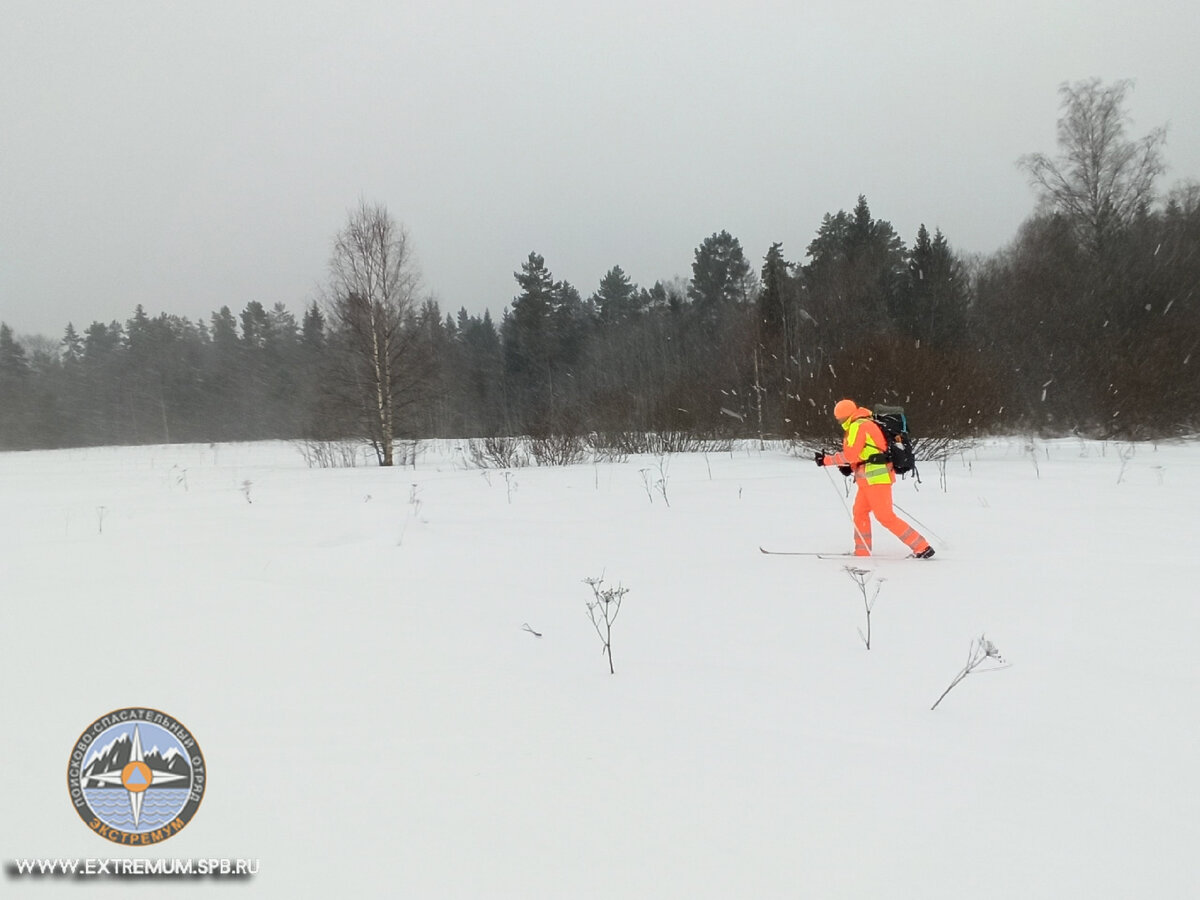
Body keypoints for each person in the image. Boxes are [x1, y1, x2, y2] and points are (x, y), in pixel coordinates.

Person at [815, 398, 934, 559]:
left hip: (876, 478)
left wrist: (826, 460)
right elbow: (867, 452)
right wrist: (850, 467)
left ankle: (922, 547)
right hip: (868, 479)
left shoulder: (859, 425)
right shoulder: (864, 423)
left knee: (885, 517)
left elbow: (851, 454)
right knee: (859, 512)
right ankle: (862, 550)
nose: (839, 421)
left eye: (839, 418)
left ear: (845, 415)